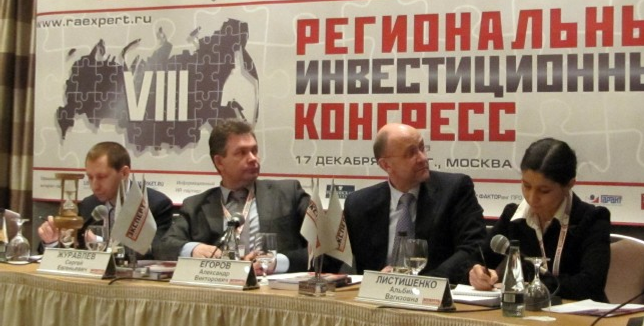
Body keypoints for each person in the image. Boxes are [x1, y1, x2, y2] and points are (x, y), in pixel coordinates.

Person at [155, 119, 310, 273]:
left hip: (273, 285)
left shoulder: (288, 193)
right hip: (220, 285)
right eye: (241, 152)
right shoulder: (195, 206)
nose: (253, 158)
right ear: (219, 162)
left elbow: (321, 244)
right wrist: (193, 249)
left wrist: (278, 262)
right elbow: (163, 246)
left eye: (254, 151)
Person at [469, 137, 611, 302]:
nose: (532, 198)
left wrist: (529, 286)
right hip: (526, 312)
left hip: (579, 313)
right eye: (526, 186)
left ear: (569, 185)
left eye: (544, 191)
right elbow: (476, 261)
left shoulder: (592, 219)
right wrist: (476, 273)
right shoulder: (513, 217)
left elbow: (590, 284)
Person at [342, 123, 487, 284]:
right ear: (386, 165)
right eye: (411, 153)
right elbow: (335, 257)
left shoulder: (455, 189)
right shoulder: (359, 204)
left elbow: (473, 246)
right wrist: (377, 279)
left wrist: (423, 282)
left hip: (436, 291)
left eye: (422, 148)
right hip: (376, 295)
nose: (423, 158)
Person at [37, 141, 174, 257]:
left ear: (124, 173)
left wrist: (98, 242)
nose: (94, 186)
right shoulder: (88, 205)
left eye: (102, 177)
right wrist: (52, 241)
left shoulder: (155, 205)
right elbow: (70, 253)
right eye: (90, 177)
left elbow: (155, 253)